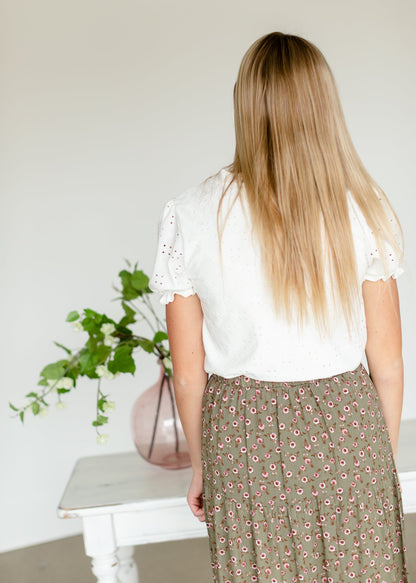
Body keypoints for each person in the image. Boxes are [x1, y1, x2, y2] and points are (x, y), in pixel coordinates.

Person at [148, 31, 408, 583]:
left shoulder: (191, 213)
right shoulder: (363, 204)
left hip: (242, 435)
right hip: (347, 424)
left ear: (243, 101)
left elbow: (188, 377)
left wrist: (201, 467)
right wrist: (379, 459)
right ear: (323, 103)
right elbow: (387, 361)